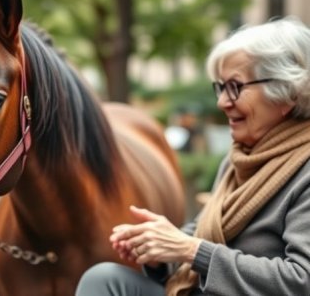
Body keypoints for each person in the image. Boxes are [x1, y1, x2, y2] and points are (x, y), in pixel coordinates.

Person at [76, 16, 310, 295]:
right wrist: (159, 248)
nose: (222, 102)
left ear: (289, 93)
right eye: (220, 87)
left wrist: (190, 250)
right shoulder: (240, 158)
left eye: (235, 87)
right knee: (104, 278)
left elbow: (301, 280)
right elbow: (204, 232)